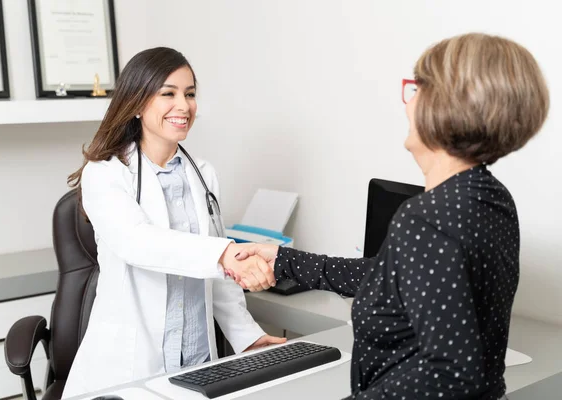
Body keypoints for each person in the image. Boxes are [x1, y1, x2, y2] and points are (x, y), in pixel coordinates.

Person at [232, 33, 549, 399]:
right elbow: (394, 277)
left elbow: (450, 375)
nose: (408, 103)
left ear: (445, 106)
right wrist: (286, 260)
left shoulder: (426, 218)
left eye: (417, 89)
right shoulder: (491, 198)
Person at [62, 47, 285, 398]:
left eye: (190, 93)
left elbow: (219, 277)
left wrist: (248, 336)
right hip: (129, 367)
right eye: (168, 93)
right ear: (136, 103)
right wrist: (224, 252)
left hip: (197, 361)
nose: (184, 105)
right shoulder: (105, 173)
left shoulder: (203, 174)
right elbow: (137, 242)